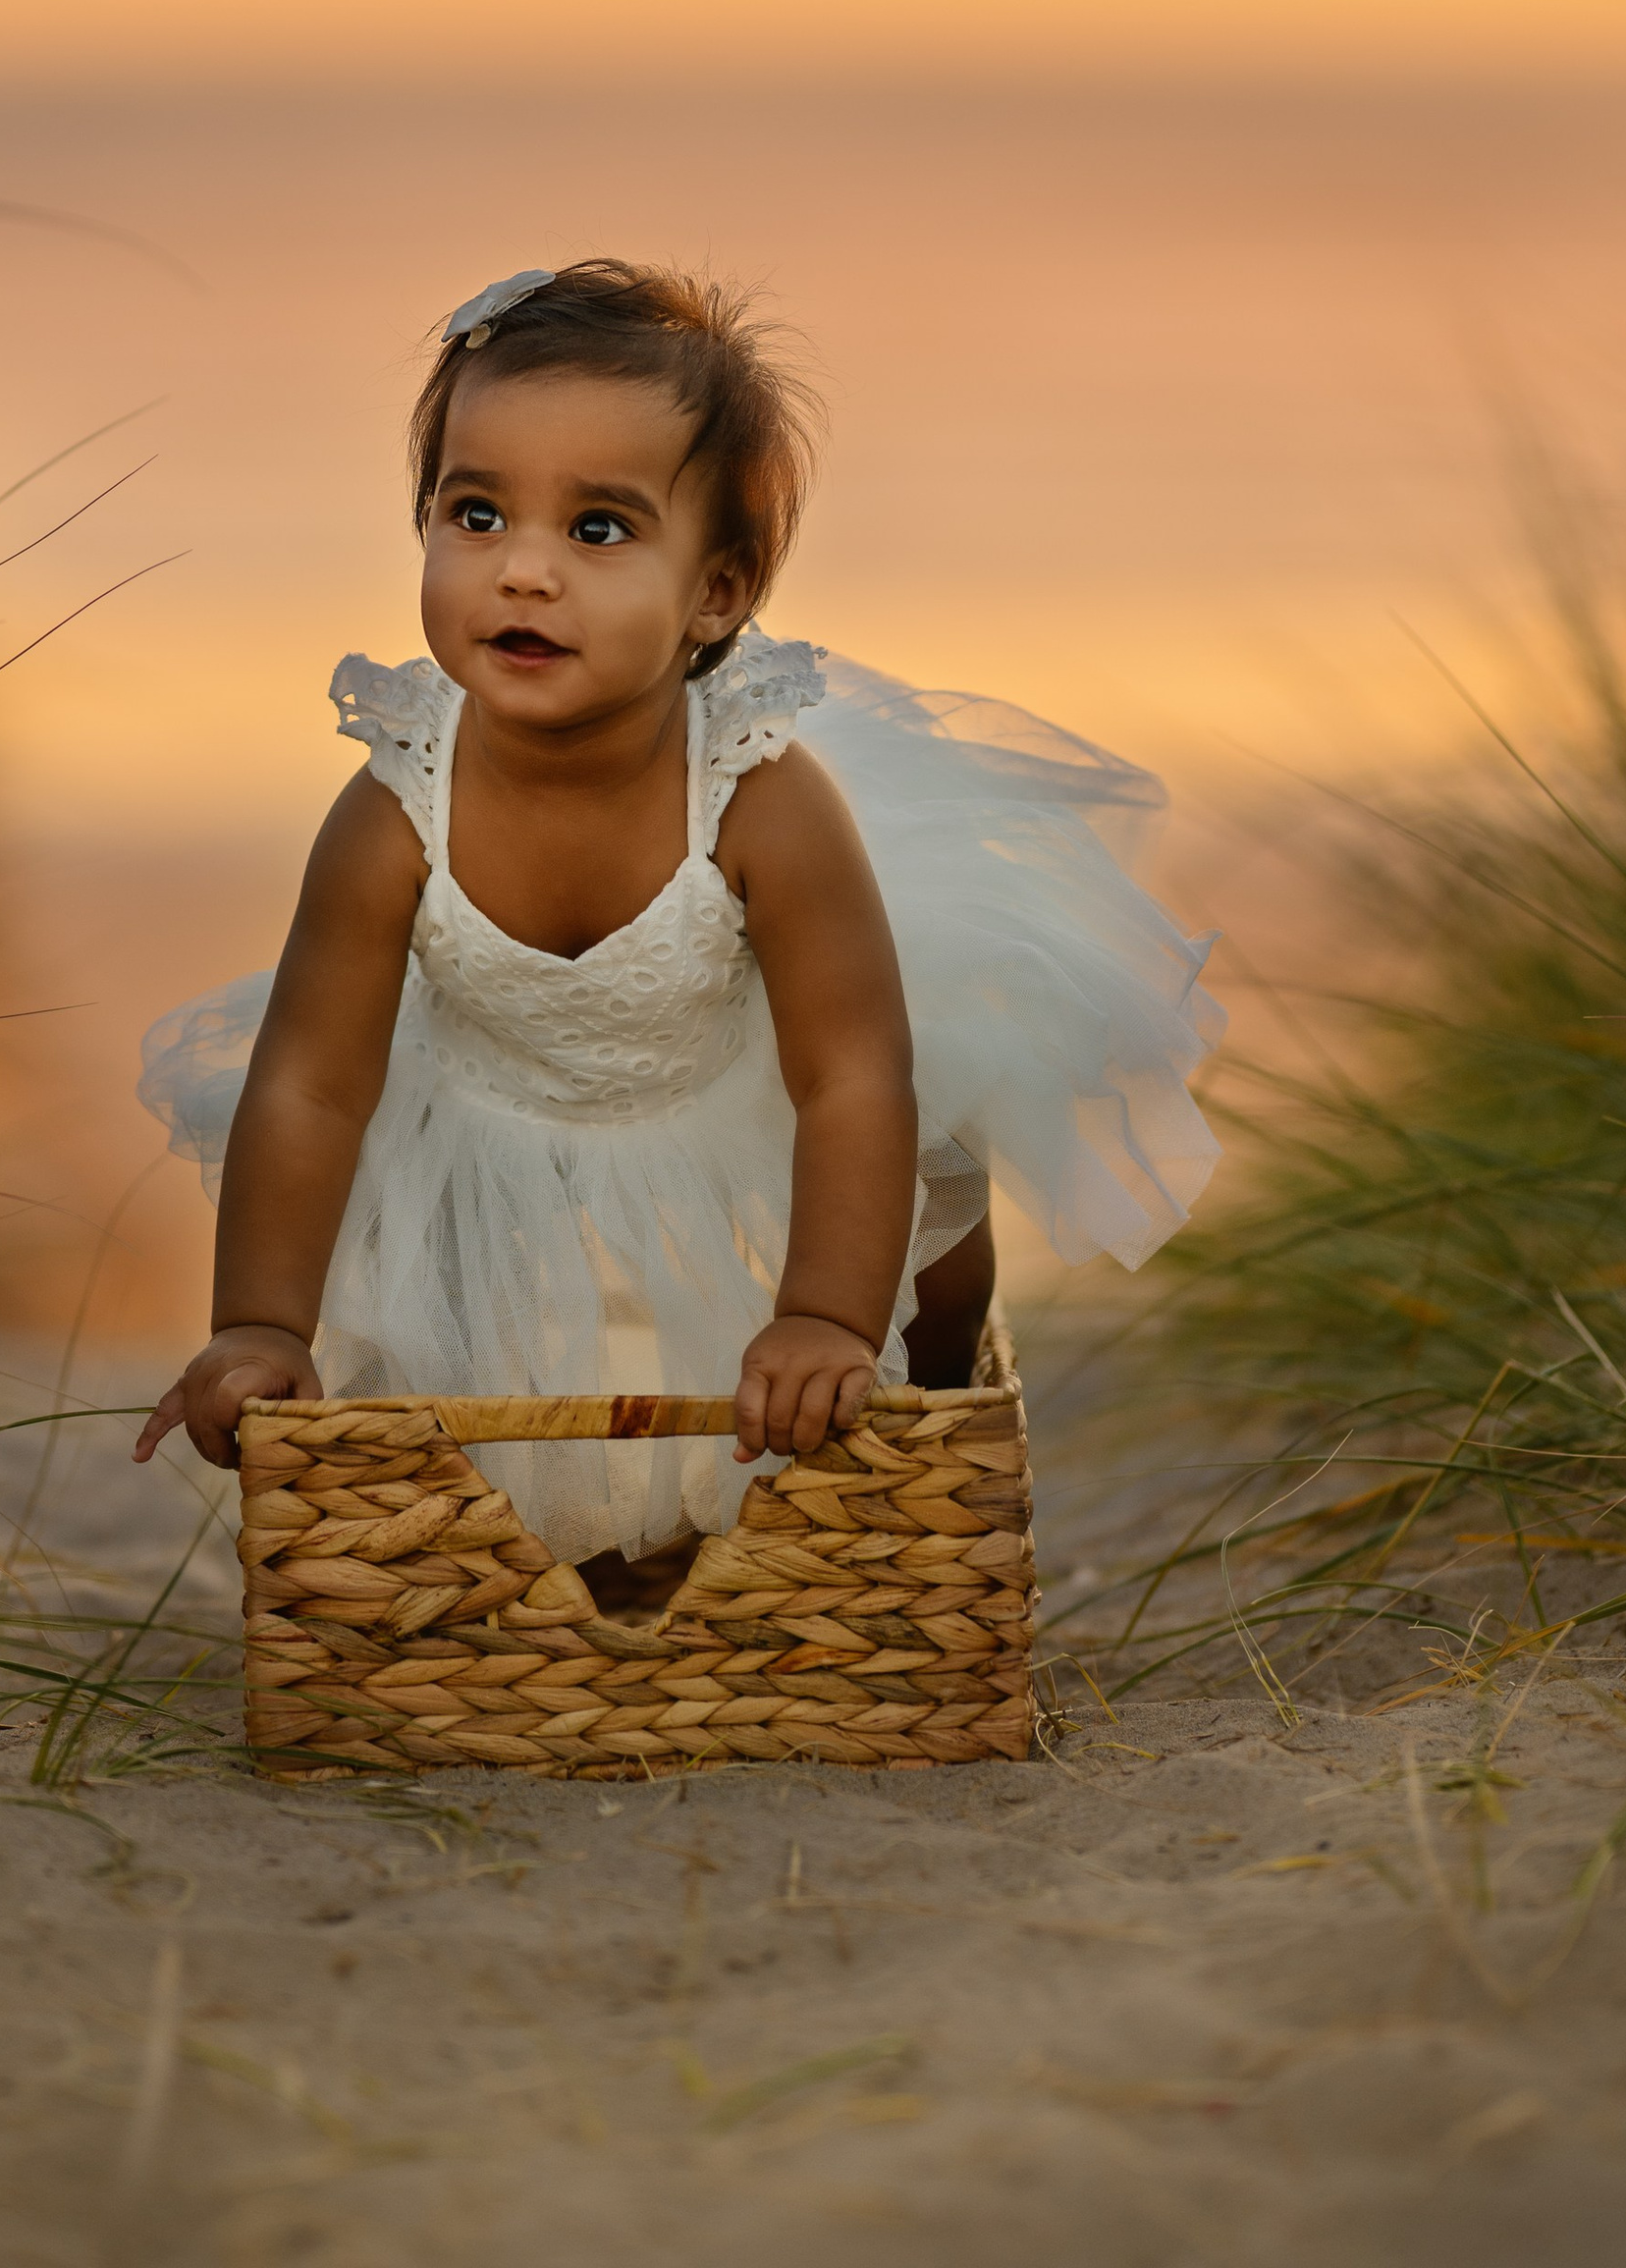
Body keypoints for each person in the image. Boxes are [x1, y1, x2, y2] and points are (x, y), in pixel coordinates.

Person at [136, 259, 1221, 1603]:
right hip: (489, 1110)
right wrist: (257, 1323)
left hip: (738, 1085)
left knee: (934, 1188)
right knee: (443, 1357)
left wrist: (823, 1315)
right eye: (475, 513)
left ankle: (933, 1427)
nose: (522, 569)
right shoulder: (395, 807)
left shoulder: (760, 799)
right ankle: (560, 1558)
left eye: (598, 529)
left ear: (715, 594)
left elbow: (850, 1073)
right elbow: (310, 1080)